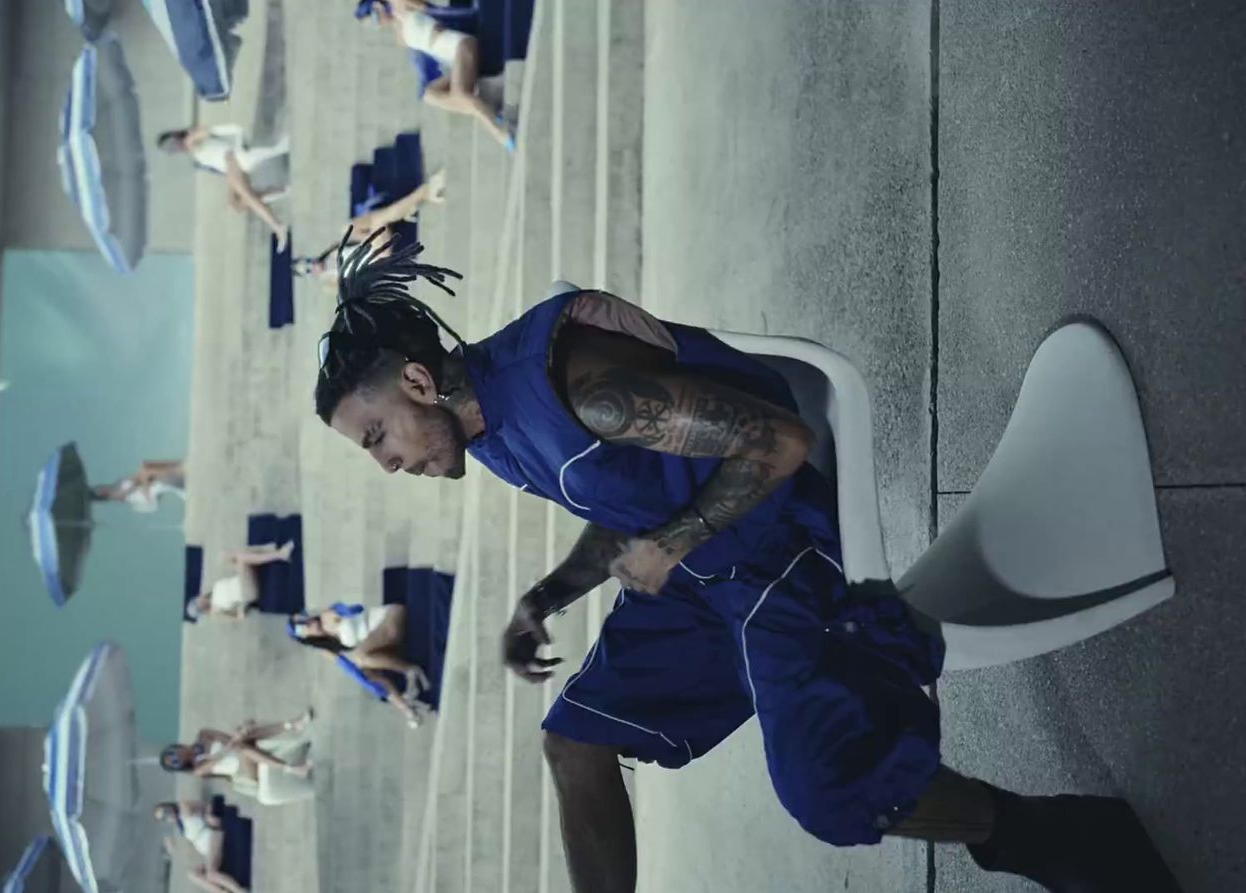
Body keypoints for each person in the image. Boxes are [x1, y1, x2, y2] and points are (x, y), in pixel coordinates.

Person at [309, 233, 1182, 893]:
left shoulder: (576, 385)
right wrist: (551, 593)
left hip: (779, 553)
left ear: (419, 383)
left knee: (826, 791)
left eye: (377, 434)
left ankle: (1048, 835)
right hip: (705, 576)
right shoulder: (489, 430)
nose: (387, 462)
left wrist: (678, 541)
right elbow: (624, 503)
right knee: (574, 743)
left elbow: (782, 441)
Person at [361, 1, 514, 150]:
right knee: (428, 95)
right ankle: (488, 114)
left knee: (460, 95)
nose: (379, 24)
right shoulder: (398, 36)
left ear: (376, 5)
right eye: (374, 25)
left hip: (460, 45)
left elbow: (429, 8)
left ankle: (499, 131)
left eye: (375, 18)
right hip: (453, 59)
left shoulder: (400, 3)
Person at [295, 170, 447, 290]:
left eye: (308, 262)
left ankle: (410, 205)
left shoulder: (329, 253)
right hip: (378, 260)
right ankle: (424, 192)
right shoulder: (331, 282)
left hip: (371, 244)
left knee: (348, 228)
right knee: (378, 220)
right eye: (308, 270)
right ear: (311, 276)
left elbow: (356, 242)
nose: (313, 266)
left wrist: (367, 236)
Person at [289, 602, 430, 728]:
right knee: (365, 673)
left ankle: (410, 670)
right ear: (307, 638)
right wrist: (373, 687)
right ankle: (406, 709)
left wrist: (342, 612)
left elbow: (355, 608)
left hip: (388, 619)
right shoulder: (326, 649)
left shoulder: (327, 615)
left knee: (360, 657)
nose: (311, 626)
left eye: (307, 622)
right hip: (380, 645)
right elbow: (350, 670)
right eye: (306, 629)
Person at [157, 125, 291, 251]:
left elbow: (212, 131)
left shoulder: (191, 137)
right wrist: (230, 184)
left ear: (175, 136)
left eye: (172, 145)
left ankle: (278, 226)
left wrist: (193, 139)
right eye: (171, 150)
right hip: (229, 168)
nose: (175, 149)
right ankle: (279, 191)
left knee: (247, 195)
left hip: (231, 157)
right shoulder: (194, 157)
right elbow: (216, 163)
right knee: (236, 205)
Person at [160, 711, 316, 806]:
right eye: (175, 762)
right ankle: (291, 769)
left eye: (173, 753)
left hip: (241, 750)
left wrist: (241, 732)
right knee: (242, 747)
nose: (177, 757)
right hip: (244, 775)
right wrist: (239, 735)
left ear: (176, 746)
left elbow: (228, 740)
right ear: (180, 766)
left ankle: (292, 725)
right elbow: (220, 757)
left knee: (244, 740)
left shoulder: (204, 735)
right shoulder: (197, 769)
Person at [153, 800, 249, 893]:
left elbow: (207, 806)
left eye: (166, 812)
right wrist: (173, 848)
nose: (168, 816)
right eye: (164, 818)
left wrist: (209, 818)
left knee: (211, 874)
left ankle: (239, 891)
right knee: (192, 874)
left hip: (212, 835)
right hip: (207, 848)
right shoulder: (180, 824)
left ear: (169, 806)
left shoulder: (184, 807)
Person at [186, 541, 297, 621]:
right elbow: (239, 617)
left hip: (242, 580)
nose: (199, 597)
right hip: (248, 593)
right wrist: (243, 604)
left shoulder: (211, 593)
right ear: (201, 607)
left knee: (227, 554)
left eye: (196, 599)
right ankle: (281, 554)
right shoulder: (215, 611)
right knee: (241, 558)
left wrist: (237, 569)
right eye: (198, 602)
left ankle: (270, 549)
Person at [92, 459, 186, 513]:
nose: (101, 487)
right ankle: (178, 469)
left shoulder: (117, 483)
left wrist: (139, 478)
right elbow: (127, 491)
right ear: (101, 494)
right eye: (99, 490)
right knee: (146, 471)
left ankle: (177, 465)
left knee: (145, 465)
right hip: (144, 495)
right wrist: (140, 480)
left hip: (142, 486)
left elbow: (133, 479)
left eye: (99, 487)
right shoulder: (113, 495)